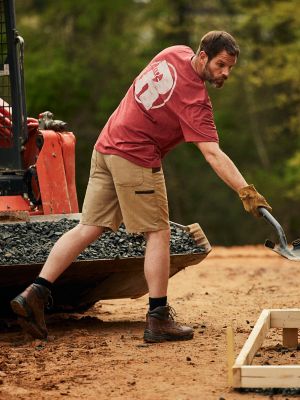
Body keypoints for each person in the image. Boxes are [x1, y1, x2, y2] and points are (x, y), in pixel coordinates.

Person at [11, 31, 271, 343]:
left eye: (230, 67)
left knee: (89, 227)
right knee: (158, 232)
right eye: (220, 64)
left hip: (106, 145)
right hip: (135, 157)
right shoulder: (195, 101)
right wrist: (246, 191)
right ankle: (158, 319)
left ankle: (36, 292)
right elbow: (213, 154)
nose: (225, 72)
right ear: (202, 56)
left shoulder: (175, 52)